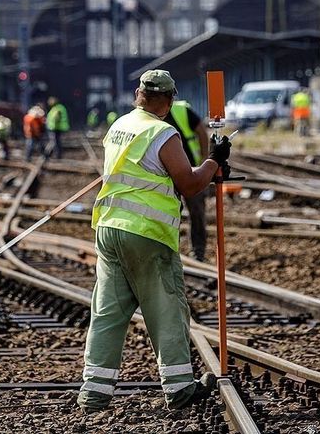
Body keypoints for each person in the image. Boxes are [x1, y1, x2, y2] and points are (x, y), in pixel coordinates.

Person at [78, 69, 222, 413]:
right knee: (167, 307)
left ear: (137, 95)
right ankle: (180, 388)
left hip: (109, 229)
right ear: (169, 100)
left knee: (108, 313)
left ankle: (93, 394)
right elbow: (189, 184)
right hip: (146, 233)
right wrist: (214, 162)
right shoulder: (162, 133)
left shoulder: (120, 126)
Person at [168, 98, 210, 261]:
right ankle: (171, 252)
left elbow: (201, 131)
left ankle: (198, 252)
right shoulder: (149, 116)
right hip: (167, 174)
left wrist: (204, 160)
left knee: (197, 211)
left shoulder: (181, 111)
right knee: (168, 213)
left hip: (191, 170)